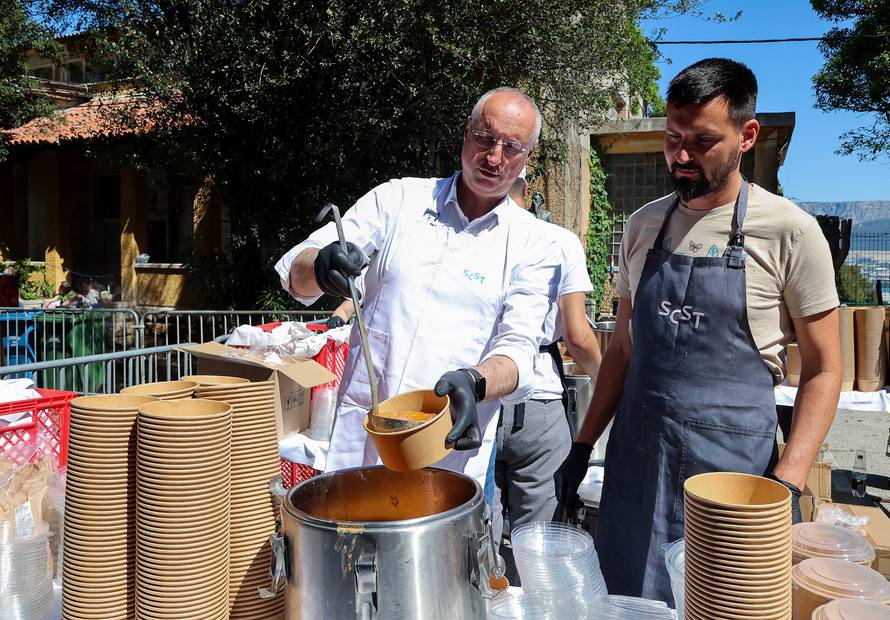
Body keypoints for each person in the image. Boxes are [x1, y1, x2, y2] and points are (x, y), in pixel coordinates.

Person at [554, 58, 841, 603]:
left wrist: (788, 479)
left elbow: (827, 368)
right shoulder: (642, 226)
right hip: (637, 463)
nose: (681, 157)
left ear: (747, 136)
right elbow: (622, 350)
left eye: (703, 141)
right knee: (627, 602)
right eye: (672, 138)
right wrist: (582, 444)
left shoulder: (791, 232)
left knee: (720, 605)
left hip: (733, 480)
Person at [275, 87, 560, 484]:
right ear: (466, 132)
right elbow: (298, 268)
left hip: (445, 451)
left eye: (512, 147)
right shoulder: (399, 200)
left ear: (528, 156)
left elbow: (519, 354)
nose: (494, 157)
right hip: (360, 444)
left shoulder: (537, 242)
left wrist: (474, 382)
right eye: (486, 138)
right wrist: (322, 268)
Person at [492, 174, 603, 550]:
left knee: (473, 541)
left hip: (476, 398)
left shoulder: (468, 238)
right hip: (538, 404)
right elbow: (577, 335)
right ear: (527, 192)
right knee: (539, 544)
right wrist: (608, 382)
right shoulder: (559, 241)